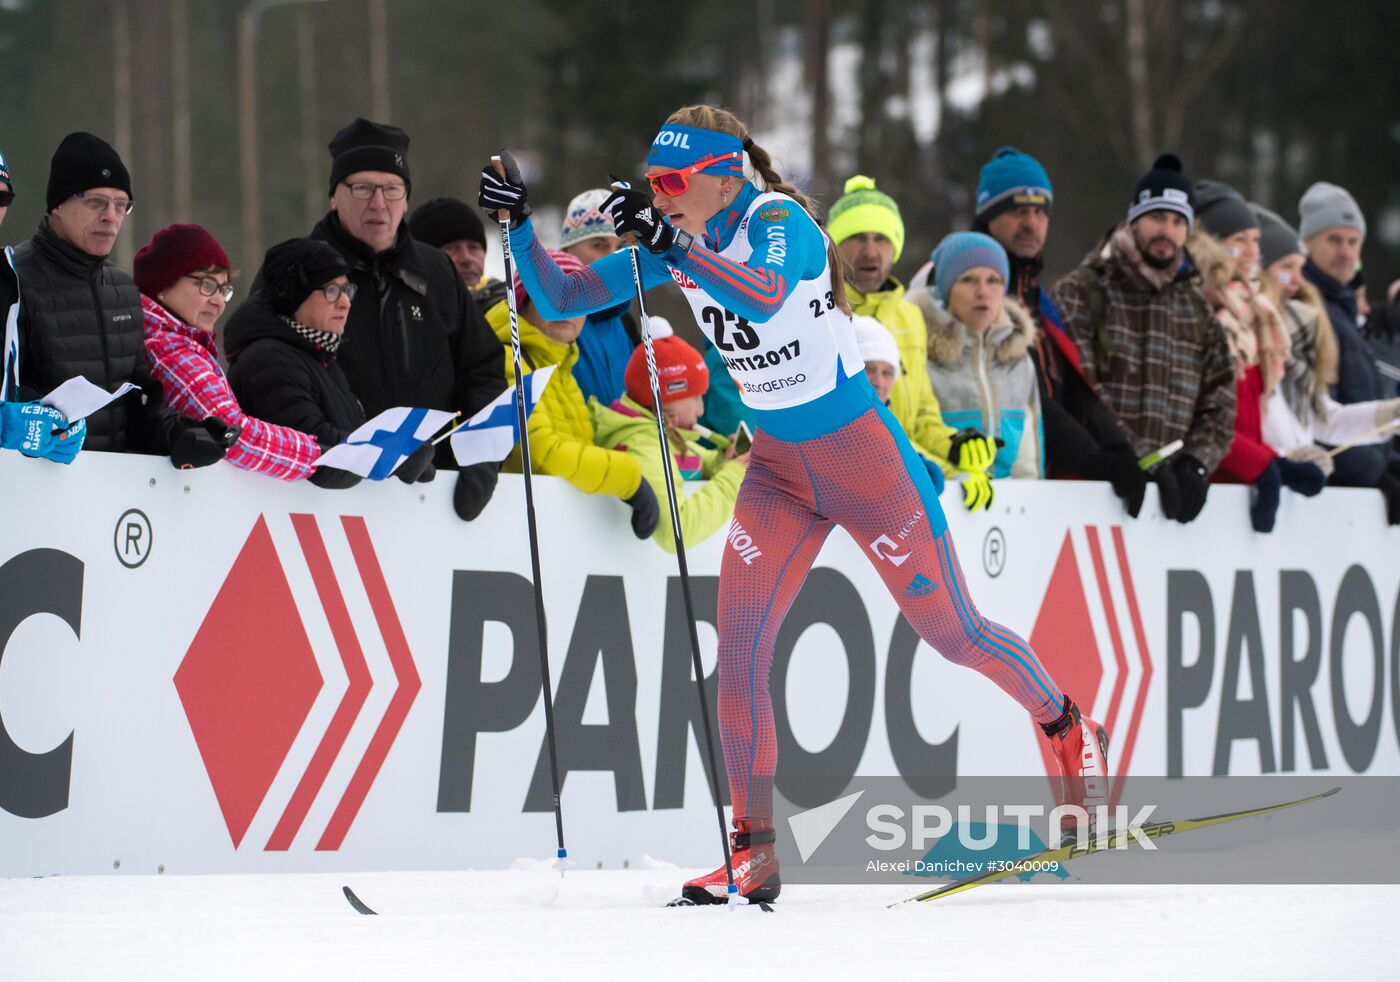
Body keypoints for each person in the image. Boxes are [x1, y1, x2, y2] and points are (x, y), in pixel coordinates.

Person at [480, 103, 1109, 906]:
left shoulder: (782, 222)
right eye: (653, 183)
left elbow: (766, 296)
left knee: (954, 634)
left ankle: (1067, 727)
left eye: (673, 182)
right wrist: (517, 230)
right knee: (738, 649)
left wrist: (669, 241)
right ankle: (753, 851)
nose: (660, 194)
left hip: (864, 465)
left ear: (725, 176)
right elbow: (559, 291)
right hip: (778, 468)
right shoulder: (679, 243)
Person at [307, 119, 504, 516]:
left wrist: (481, 459)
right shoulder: (298, 268)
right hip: (329, 501)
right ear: (334, 196)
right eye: (362, 188)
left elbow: (483, 371)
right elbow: (264, 369)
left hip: (435, 499)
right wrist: (347, 451)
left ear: (406, 198)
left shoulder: (437, 271)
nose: (378, 203)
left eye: (392, 189)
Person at [13, 132, 229, 466]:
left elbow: (139, 403)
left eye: (121, 205)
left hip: (114, 496)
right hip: (32, 489)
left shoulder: (123, 292)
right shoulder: (12, 278)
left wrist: (178, 434)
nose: (111, 217)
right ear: (58, 203)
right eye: (96, 202)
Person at [1050, 153, 1236, 524]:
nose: (1166, 230)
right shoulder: (1083, 291)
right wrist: (1135, 457)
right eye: (1156, 217)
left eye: (1177, 221)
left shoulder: (1198, 312)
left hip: (1168, 508)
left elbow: (1220, 401)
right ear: (1133, 219)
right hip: (1091, 493)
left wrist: (1196, 463)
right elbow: (1079, 391)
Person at [970, 147, 1146, 517]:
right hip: (990, 491)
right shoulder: (965, 287)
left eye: (1040, 212)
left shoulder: (1039, 298)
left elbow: (1071, 386)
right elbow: (1020, 392)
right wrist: (1097, 461)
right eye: (1018, 211)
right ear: (989, 215)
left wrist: (1117, 448)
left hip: (1044, 486)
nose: (1031, 223)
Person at [224, 238, 433, 489]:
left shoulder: (320, 357)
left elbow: (345, 436)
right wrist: (390, 455)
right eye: (331, 290)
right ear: (292, 296)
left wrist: (399, 448)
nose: (345, 302)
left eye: (347, 290)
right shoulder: (267, 360)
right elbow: (315, 453)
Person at [485, 248, 659, 538]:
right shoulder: (508, 361)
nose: (567, 309)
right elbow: (545, 452)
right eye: (550, 298)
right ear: (523, 304)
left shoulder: (564, 371)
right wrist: (630, 479)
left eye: (578, 301)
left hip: (559, 532)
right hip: (512, 532)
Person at [137, 223, 331, 481]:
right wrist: (319, 457)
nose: (218, 301)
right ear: (163, 283)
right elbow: (233, 436)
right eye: (206, 285)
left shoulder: (181, 342)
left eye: (224, 289)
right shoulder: (168, 348)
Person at [1190, 182, 1325, 532]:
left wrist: (1277, 463)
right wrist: (1264, 467)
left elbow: (1252, 414)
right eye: (1239, 241)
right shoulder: (1203, 309)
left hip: (1239, 485)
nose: (1252, 252)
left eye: (1255, 240)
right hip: (1209, 488)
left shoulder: (1254, 313)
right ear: (1213, 245)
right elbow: (1204, 416)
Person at [1253, 205, 1400, 523]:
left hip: (1305, 494)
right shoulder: (1251, 336)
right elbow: (1252, 423)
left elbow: (1324, 417)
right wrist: (1280, 461)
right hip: (1262, 493)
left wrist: (1391, 415)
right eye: (1286, 268)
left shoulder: (1297, 331)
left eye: (1298, 267)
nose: (1296, 279)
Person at [827, 175, 955, 476]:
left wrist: (958, 451)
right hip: (846, 476)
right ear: (835, 245)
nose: (871, 251)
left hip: (909, 470)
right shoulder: (819, 308)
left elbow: (924, 416)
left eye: (882, 238)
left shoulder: (910, 316)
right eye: (858, 237)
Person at [591, 323, 746, 551]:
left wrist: (726, 459)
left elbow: (701, 461)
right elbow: (677, 532)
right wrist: (735, 476)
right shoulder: (644, 446)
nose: (701, 410)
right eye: (695, 398)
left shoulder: (667, 436)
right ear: (667, 398)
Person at [913, 232, 1044, 483]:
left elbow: (1028, 456)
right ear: (946, 289)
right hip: (944, 493)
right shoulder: (920, 351)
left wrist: (1030, 505)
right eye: (968, 279)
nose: (983, 292)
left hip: (1008, 508)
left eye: (993, 280)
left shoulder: (1019, 359)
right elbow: (913, 432)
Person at [1297, 181, 1399, 503]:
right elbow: (1318, 418)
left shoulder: (1344, 315)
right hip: (1327, 495)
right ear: (1307, 244)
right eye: (1334, 240)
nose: (1345, 252)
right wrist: (1373, 472)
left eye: (1353, 242)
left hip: (1357, 499)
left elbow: (1364, 402)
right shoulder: (1309, 311)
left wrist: (1389, 465)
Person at [0, 149, 84, 464]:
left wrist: (51, 422)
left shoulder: (7, 274)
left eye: (2, 199)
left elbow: (9, 393)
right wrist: (6, 425)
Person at [558, 188, 637, 405]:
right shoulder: (552, 320)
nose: (613, 257)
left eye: (621, 247)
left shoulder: (624, 319)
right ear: (567, 251)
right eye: (599, 245)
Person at [406, 196, 506, 311]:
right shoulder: (401, 314)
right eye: (451, 248)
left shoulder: (516, 311)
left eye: (473, 247)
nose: (466, 259)